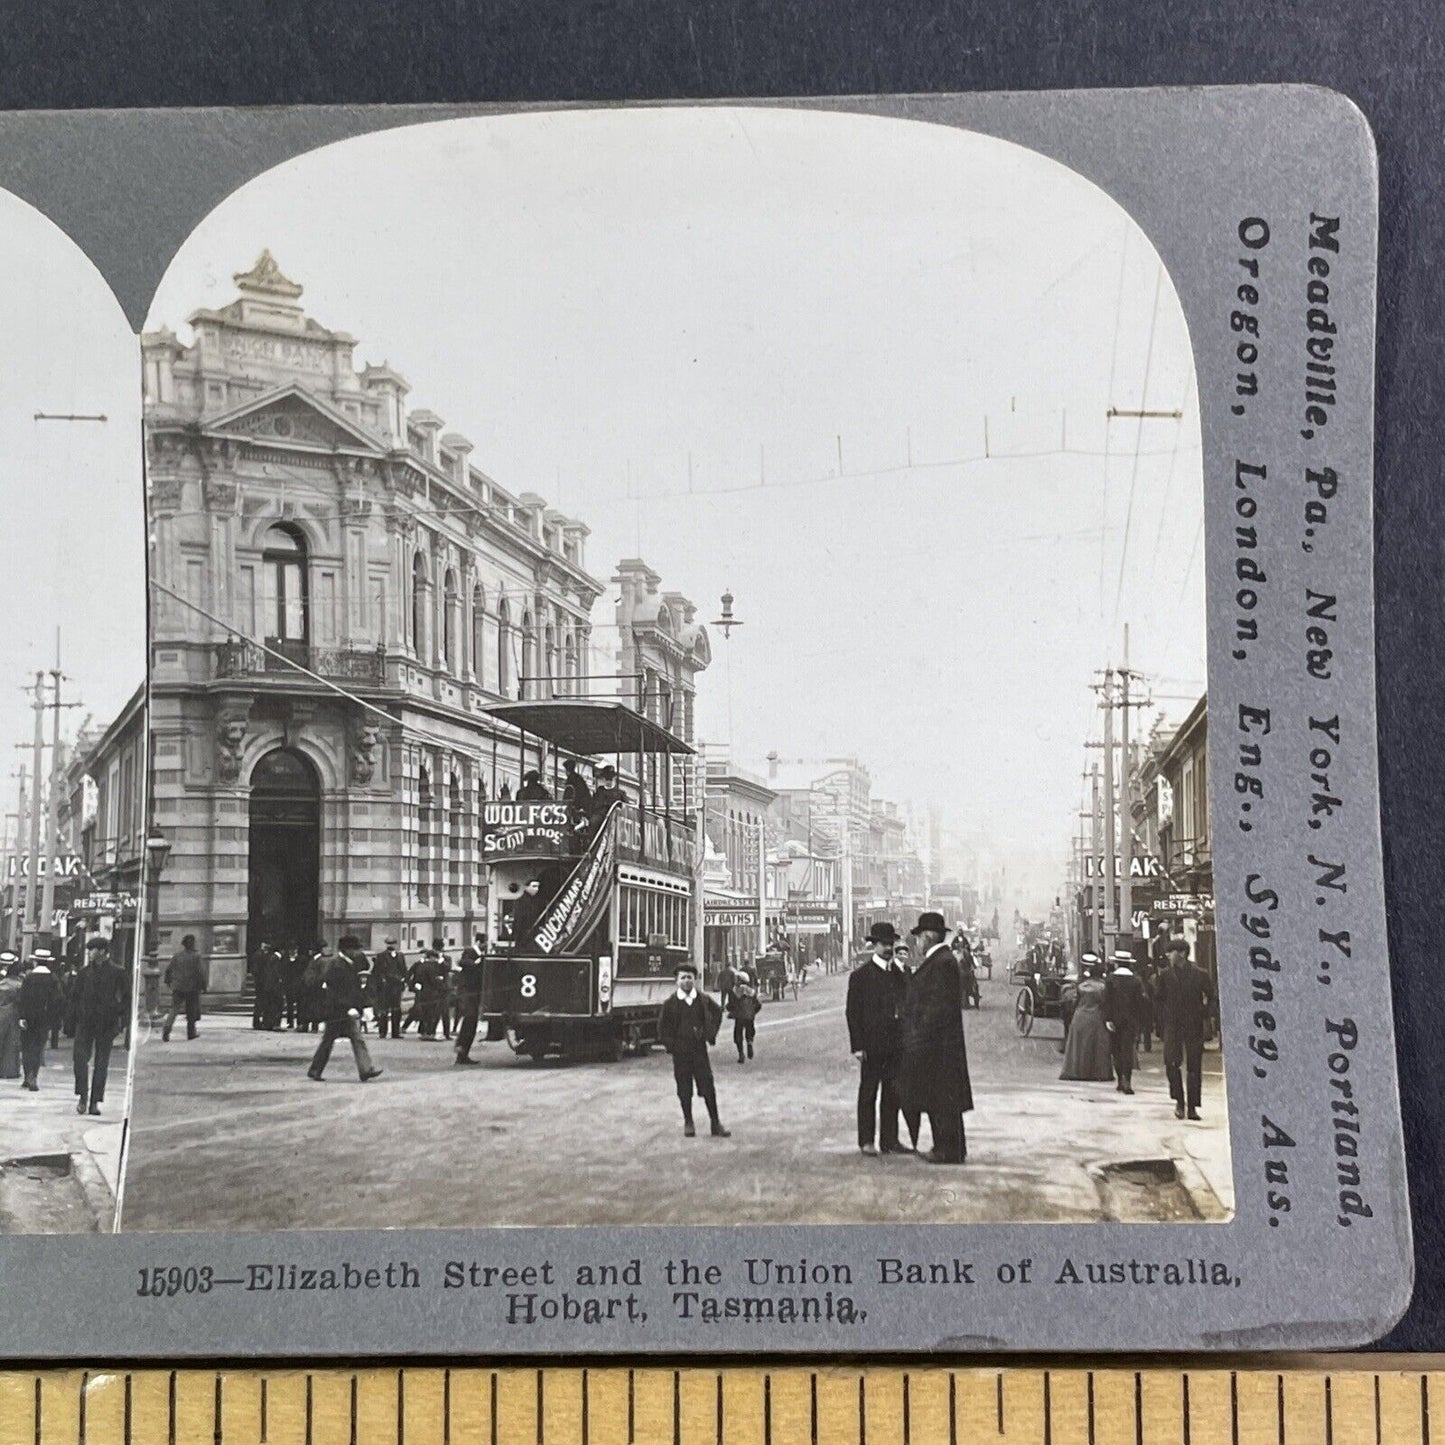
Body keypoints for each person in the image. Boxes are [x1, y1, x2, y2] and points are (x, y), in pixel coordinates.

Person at [898, 912, 971, 1164]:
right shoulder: (943, 960)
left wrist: (918, 1038)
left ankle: (946, 1150)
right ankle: (951, 1148)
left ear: (928, 937)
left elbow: (936, 1008)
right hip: (942, 1045)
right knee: (943, 1098)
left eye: (918, 938)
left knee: (941, 1099)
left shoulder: (940, 963)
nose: (916, 943)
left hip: (937, 1046)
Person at [846, 921, 909, 1156]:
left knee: (893, 1093)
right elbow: (852, 1013)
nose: (888, 948)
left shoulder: (898, 974)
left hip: (894, 1046)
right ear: (874, 945)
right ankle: (866, 1141)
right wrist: (857, 1046)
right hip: (871, 1047)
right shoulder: (860, 976)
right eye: (884, 944)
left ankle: (890, 1140)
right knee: (869, 1093)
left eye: (891, 943)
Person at [656, 962, 730, 1137]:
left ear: (695, 980)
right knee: (684, 1087)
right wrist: (671, 1045)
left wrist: (710, 1033)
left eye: (690, 977)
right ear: (677, 981)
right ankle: (688, 1122)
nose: (686, 981)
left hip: (699, 1050)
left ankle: (715, 1123)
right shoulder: (670, 1004)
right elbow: (662, 1028)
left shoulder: (703, 1000)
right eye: (683, 978)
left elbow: (718, 1013)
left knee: (707, 1086)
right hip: (680, 1052)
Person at [71, 936, 129, 1116]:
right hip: (85, 1021)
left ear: (102, 951)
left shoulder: (117, 972)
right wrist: (75, 1017)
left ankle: (95, 1101)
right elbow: (74, 996)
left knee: (101, 1064)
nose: (89, 953)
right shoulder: (83, 972)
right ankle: (82, 1096)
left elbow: (127, 997)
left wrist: (119, 1017)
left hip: (107, 1022)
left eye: (92, 949)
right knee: (80, 1059)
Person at [307, 945, 383, 1084]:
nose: (356, 951)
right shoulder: (337, 965)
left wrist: (359, 1006)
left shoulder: (347, 964)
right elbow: (335, 990)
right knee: (329, 1041)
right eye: (354, 949)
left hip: (343, 1010)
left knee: (354, 1039)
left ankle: (365, 1069)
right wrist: (348, 1007)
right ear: (346, 949)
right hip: (338, 1011)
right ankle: (315, 1070)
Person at [1156, 938, 1213, 1119]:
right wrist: (1160, 1022)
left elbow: (1212, 996)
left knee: (1194, 1067)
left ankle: (1192, 1106)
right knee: (1172, 1064)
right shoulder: (1164, 975)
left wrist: (1204, 1013)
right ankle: (1179, 1101)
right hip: (1172, 1024)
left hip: (1193, 1024)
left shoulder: (1200, 974)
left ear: (1181, 953)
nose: (1168, 956)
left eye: (1171, 952)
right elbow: (1158, 999)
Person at [1060, 955, 1114, 1081]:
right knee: (1097, 1046)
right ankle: (1099, 1073)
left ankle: (1077, 1071)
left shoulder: (1081, 985)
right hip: (1097, 1017)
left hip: (1080, 1016)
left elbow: (1075, 1002)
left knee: (1079, 1046)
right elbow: (1105, 1003)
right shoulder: (1103, 987)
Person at [1103, 946, 1147, 1095]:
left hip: (1114, 1020)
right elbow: (1141, 1002)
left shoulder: (1110, 980)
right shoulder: (1136, 981)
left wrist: (1108, 1018)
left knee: (1116, 1050)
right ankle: (1127, 1080)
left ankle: (1120, 1080)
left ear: (1116, 963)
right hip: (1131, 1020)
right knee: (1128, 1049)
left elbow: (1106, 1001)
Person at [17, 949, 60, 1090]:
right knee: (38, 1047)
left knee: (27, 1046)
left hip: (29, 1017)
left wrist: (22, 1016)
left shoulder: (29, 978)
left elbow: (22, 998)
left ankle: (27, 1075)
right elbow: (57, 1000)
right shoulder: (53, 979)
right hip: (44, 1017)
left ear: (35, 961)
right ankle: (33, 1075)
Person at [161, 934, 208, 1042]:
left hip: (178, 986)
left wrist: (168, 982)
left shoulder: (177, 956)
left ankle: (167, 1029)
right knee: (191, 1011)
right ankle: (191, 1032)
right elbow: (201, 972)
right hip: (192, 987)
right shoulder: (196, 956)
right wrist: (203, 986)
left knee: (174, 1009)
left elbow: (169, 970)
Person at [454, 933, 485, 1065]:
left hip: (475, 993)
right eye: (484, 943)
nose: (486, 945)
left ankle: (463, 1053)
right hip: (467, 992)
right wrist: (475, 963)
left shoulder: (481, 955)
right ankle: (461, 1047)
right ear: (478, 942)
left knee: (472, 1022)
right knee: (470, 1018)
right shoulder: (470, 952)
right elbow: (462, 962)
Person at [370, 938, 407, 1039]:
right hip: (386, 986)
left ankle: (395, 1032)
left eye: (393, 943)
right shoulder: (381, 956)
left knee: (396, 1009)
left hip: (397, 986)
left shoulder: (400, 956)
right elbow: (376, 971)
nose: (391, 945)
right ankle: (383, 1032)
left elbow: (404, 969)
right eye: (389, 944)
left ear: (396, 944)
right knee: (384, 1010)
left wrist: (404, 980)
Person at [727, 964, 761, 1063]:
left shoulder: (733, 991)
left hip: (739, 1016)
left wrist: (730, 1011)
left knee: (738, 1035)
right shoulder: (751, 992)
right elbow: (758, 1004)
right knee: (750, 1032)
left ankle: (741, 1054)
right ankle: (750, 1043)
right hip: (749, 1016)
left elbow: (730, 1005)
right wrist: (753, 1012)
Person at [0, 951, 22, 1079]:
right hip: (13, 1014)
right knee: (12, 1043)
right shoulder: (19, 983)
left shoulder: (3, 983)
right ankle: (9, 1070)